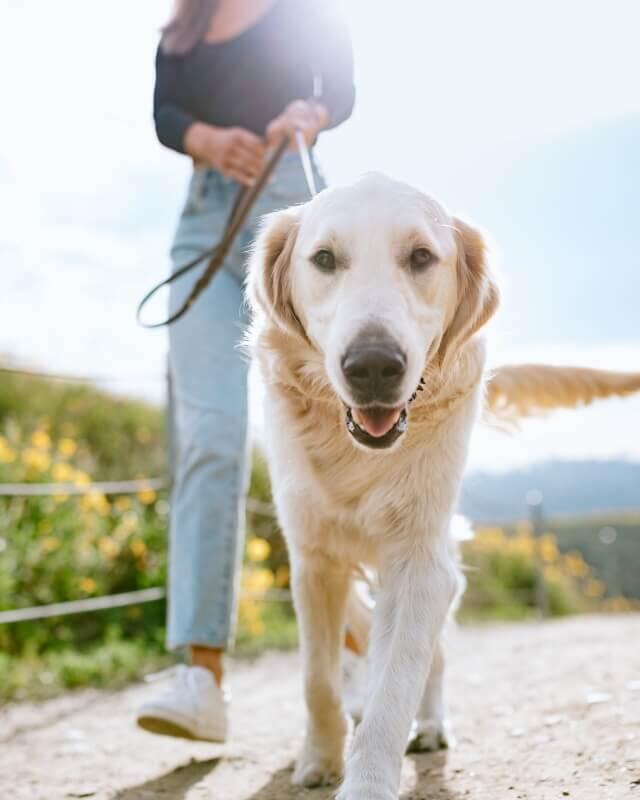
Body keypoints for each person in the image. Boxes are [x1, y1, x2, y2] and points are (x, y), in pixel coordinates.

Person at [136, 0, 356, 742]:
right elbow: (166, 112)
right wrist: (204, 136)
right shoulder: (184, 26)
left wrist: (308, 111)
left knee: (331, 424)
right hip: (202, 222)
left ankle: (360, 637)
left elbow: (343, 90)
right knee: (213, 433)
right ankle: (201, 677)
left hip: (296, 212)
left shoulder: (307, 11)